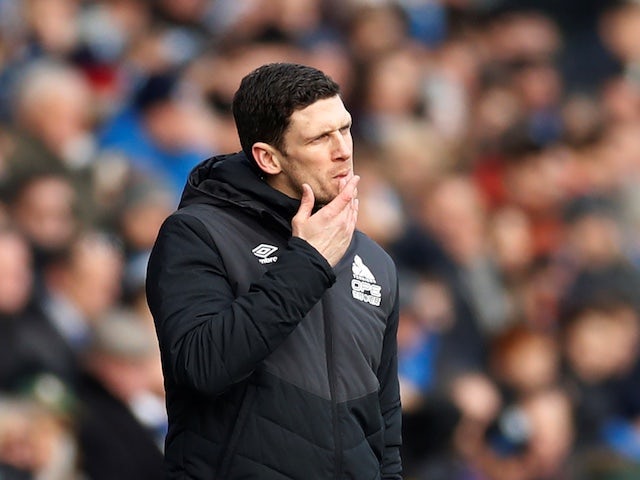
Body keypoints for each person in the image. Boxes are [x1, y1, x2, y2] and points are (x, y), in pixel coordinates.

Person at [146, 62, 402, 479]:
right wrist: (307, 262)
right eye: (321, 137)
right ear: (268, 158)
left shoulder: (373, 260)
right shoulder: (198, 233)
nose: (343, 149)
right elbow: (203, 366)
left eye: (345, 128)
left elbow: (385, 425)